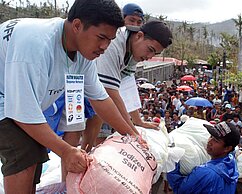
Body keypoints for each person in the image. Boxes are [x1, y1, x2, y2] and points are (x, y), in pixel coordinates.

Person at [0, 0, 133, 192]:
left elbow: (100, 99)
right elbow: (23, 115)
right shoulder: (36, 47)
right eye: (101, 37)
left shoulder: (83, 53)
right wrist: (66, 151)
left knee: (37, 150)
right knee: (23, 151)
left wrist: (132, 136)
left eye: (110, 41)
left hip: (16, 95)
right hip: (4, 96)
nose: (104, 47)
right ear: (77, 25)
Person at [85, 20, 173, 148]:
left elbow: (127, 87)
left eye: (155, 53)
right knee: (75, 128)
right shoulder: (114, 45)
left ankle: (86, 151)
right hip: (73, 80)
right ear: (139, 35)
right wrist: (133, 134)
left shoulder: (133, 51)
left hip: (91, 85)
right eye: (150, 50)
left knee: (97, 114)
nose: (150, 56)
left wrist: (137, 122)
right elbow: (110, 92)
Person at [167, 122, 240, 194]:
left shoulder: (204, 172)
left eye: (216, 140)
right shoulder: (231, 161)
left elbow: (180, 189)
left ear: (227, 148)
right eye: (211, 136)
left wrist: (172, 161)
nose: (209, 141)